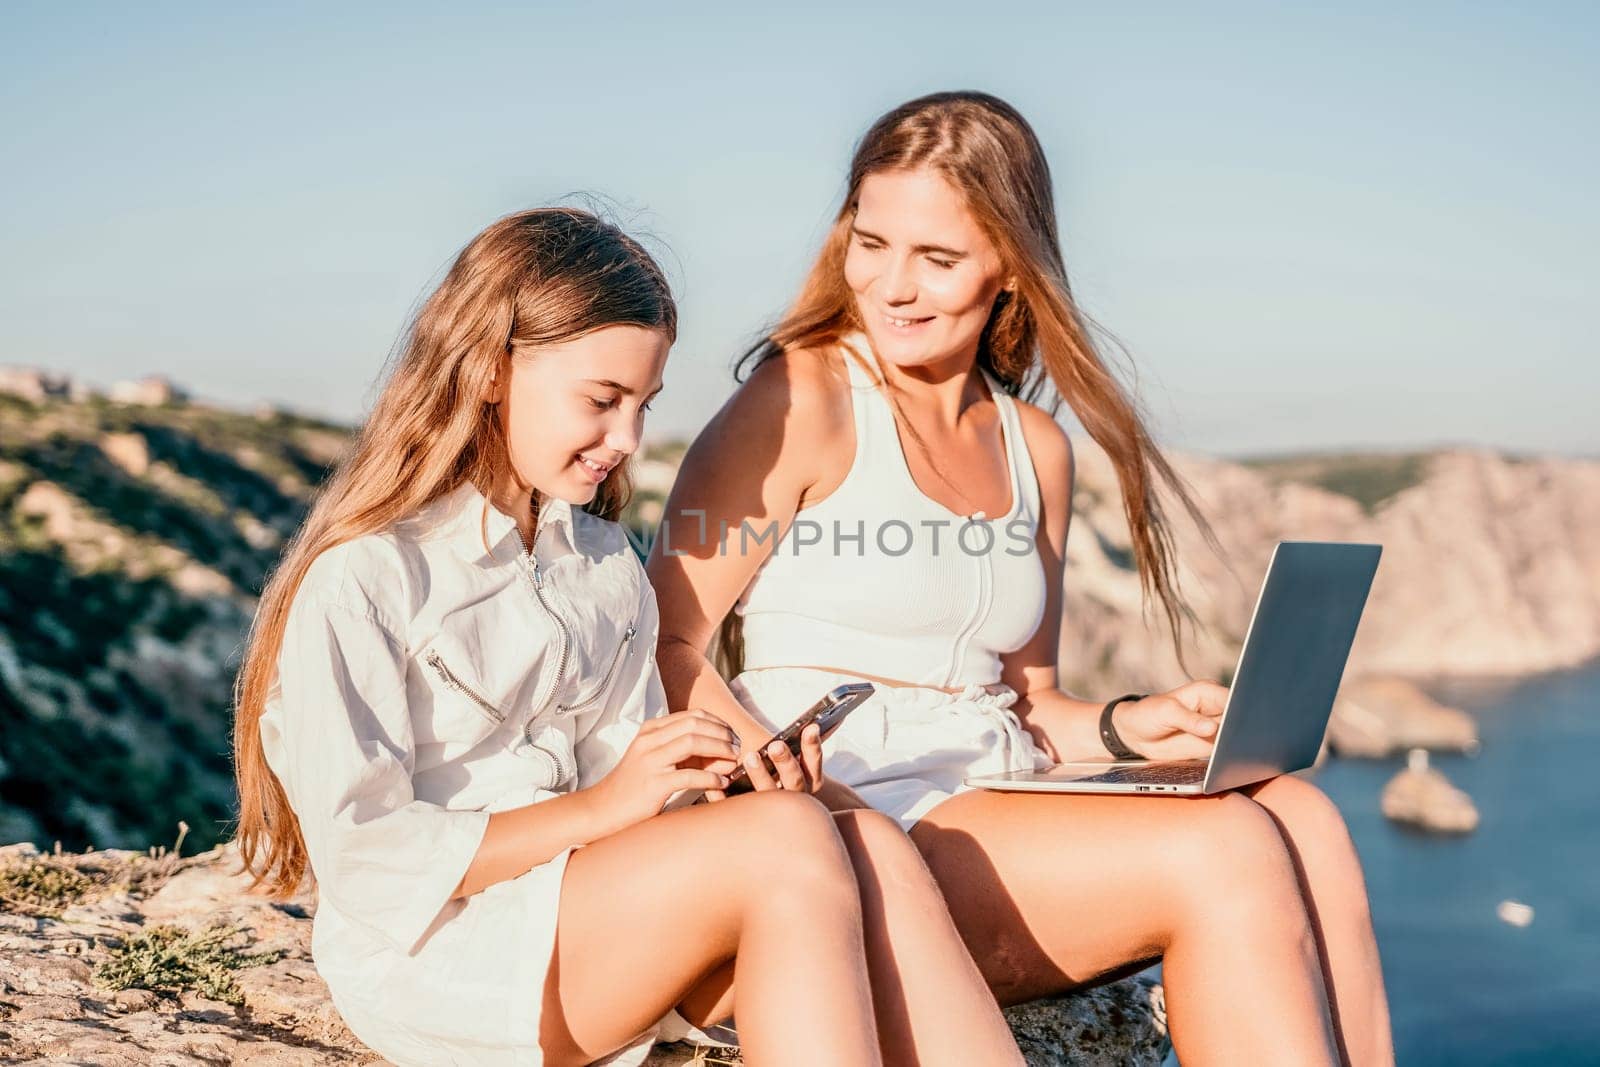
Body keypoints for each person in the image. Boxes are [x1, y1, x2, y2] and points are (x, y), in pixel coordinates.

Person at [648, 93, 1395, 1067]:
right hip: (864, 814)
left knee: (1301, 813)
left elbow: (1024, 699)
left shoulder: (1033, 444)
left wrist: (1133, 723)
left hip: (997, 787)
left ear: (1011, 264)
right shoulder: (801, 398)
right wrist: (770, 771)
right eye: (871, 243)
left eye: (937, 258)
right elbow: (666, 640)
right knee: (1228, 849)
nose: (891, 286)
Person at [230, 208, 1020, 1066]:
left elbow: (632, 795)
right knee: (792, 839)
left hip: (598, 913)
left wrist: (724, 786)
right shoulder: (369, 578)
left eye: (643, 404)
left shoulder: (604, 567)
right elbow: (370, 856)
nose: (628, 440)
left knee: (860, 835)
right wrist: (607, 808)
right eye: (603, 400)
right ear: (491, 370)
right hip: (442, 953)